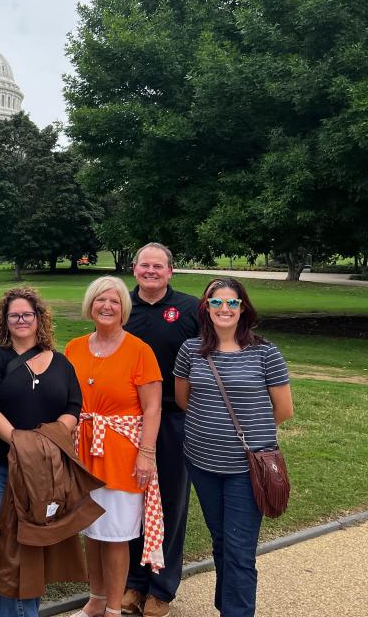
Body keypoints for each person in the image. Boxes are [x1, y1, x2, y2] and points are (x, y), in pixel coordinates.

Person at [174, 278, 294, 617]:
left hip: (246, 468)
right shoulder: (190, 350)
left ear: (243, 308)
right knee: (221, 541)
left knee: (240, 549)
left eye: (232, 302)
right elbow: (184, 399)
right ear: (206, 308)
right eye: (216, 303)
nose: (224, 309)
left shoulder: (264, 352)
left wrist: (249, 434)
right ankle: (227, 605)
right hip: (202, 463)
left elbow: (283, 410)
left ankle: (237, 611)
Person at [0, 286, 83, 616]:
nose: (22, 320)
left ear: (39, 318)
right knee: (3, 544)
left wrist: (45, 442)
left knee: (34, 542)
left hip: (43, 468)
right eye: (15, 316)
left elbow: (73, 407)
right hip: (0, 464)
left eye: (28, 314)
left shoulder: (61, 362)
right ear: (5, 321)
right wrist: (21, 442)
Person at [65, 276, 163, 617]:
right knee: (92, 529)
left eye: (115, 301)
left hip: (122, 452)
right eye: (100, 300)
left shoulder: (139, 350)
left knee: (117, 534)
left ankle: (113, 608)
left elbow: (152, 407)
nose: (107, 307)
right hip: (84, 451)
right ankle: (95, 598)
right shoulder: (74, 347)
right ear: (90, 305)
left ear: (124, 308)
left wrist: (146, 454)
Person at [121, 243, 200, 617]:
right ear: (134, 269)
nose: (150, 271)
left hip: (173, 418)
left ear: (170, 271)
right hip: (127, 419)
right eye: (144, 265)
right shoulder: (121, 306)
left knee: (168, 503)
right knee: (132, 501)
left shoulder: (189, 309)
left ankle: (162, 588)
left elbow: (211, 354)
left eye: (158, 266)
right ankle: (134, 583)